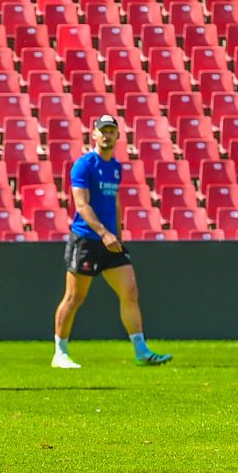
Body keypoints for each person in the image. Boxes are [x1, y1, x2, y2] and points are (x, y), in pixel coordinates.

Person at [52, 114, 172, 369]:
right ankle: (60, 352)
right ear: (93, 134)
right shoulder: (84, 165)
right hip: (86, 239)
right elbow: (81, 205)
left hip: (110, 241)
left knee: (130, 292)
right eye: (102, 131)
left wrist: (116, 234)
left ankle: (141, 350)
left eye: (111, 131)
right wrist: (104, 233)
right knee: (74, 298)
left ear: (118, 136)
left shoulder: (116, 167)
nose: (106, 135)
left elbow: (114, 203)